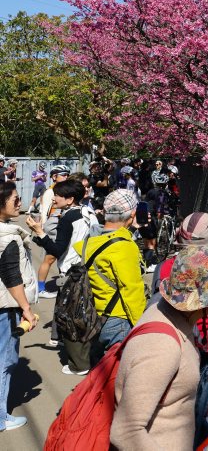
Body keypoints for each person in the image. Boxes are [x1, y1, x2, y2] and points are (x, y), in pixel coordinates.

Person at [110, 244, 208, 450]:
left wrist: (204, 369)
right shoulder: (161, 346)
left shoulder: (174, 316)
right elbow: (125, 431)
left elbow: (173, 373)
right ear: (205, 299)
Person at [73, 189, 147, 367]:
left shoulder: (89, 243)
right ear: (132, 215)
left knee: (101, 370)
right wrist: (142, 326)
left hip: (94, 316)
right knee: (117, 374)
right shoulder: (124, 246)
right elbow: (132, 290)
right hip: (119, 318)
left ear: (105, 212)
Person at [25, 179, 93, 364]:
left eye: (57, 195)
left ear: (70, 199)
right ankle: (57, 337)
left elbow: (56, 250)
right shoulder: (86, 212)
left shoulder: (67, 219)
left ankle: (75, 358)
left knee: (69, 312)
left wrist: (39, 232)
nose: (54, 198)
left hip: (71, 270)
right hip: (84, 266)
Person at [0, 182, 38, 432]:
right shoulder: (7, 236)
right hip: (4, 309)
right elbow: (11, 276)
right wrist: (26, 308)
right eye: (15, 199)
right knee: (4, 361)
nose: (20, 202)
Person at [36, 165, 71, 297]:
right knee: (49, 258)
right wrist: (43, 231)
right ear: (54, 176)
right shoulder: (51, 192)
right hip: (52, 228)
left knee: (60, 257)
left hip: (59, 226)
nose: (66, 177)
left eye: (67, 174)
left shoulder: (62, 189)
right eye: (63, 174)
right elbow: (44, 211)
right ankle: (40, 289)